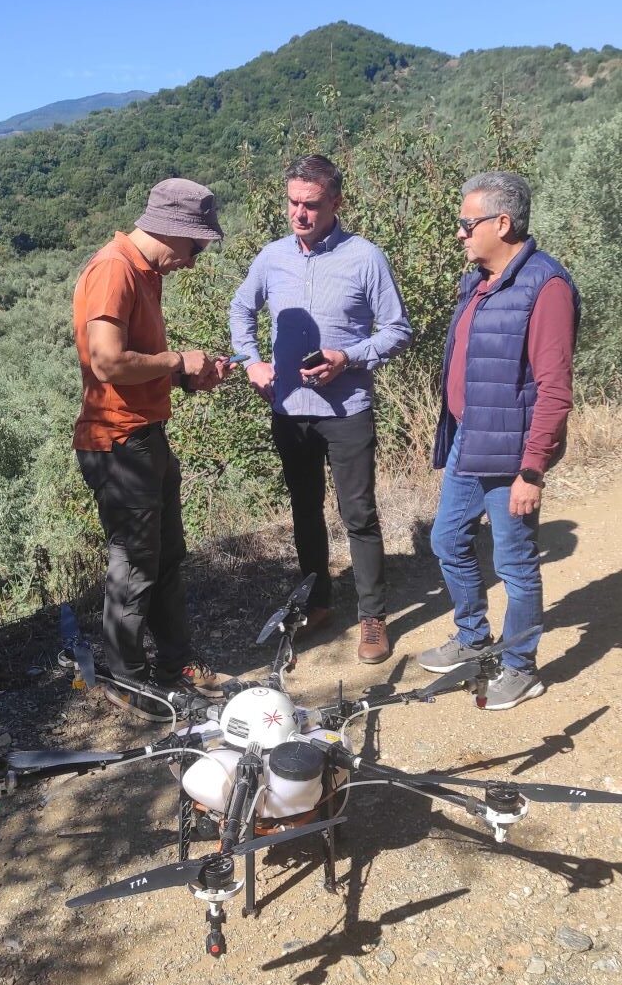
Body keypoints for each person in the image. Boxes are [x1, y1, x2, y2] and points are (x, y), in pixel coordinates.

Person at [230, 154, 412, 663]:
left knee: (359, 514)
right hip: (290, 411)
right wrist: (251, 362)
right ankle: (318, 606)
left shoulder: (365, 257)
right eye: (292, 202)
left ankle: (372, 618)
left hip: (347, 409)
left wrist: (347, 358)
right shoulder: (271, 258)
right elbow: (241, 308)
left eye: (310, 204)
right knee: (305, 512)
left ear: (336, 202)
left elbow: (398, 330)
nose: (299, 213)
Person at [418, 170, 580, 708]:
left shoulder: (546, 287)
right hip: (471, 439)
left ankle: (520, 667)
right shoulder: (481, 282)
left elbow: (554, 389)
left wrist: (532, 470)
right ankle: (473, 638)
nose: (460, 233)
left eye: (467, 223)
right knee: (447, 540)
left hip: (512, 453)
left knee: (515, 563)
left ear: (502, 223)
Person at [72, 177, 229, 716]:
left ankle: (176, 663)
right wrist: (178, 360)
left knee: (165, 559)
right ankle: (127, 682)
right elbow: (106, 361)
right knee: (135, 566)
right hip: (118, 444)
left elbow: (135, 365)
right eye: (195, 245)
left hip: (145, 435)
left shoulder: (144, 272)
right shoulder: (114, 269)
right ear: (170, 229)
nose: (194, 259)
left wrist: (187, 377)